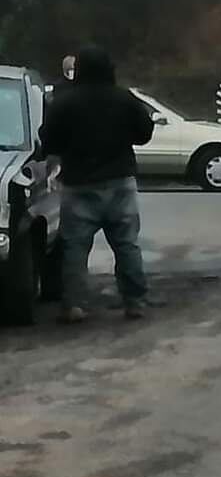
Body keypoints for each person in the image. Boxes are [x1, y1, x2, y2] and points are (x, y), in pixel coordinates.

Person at [40, 45, 155, 323]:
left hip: (79, 185)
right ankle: (135, 301)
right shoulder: (123, 98)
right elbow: (144, 134)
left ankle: (75, 305)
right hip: (120, 182)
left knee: (75, 249)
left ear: (78, 70)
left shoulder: (65, 102)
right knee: (126, 245)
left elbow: (50, 140)